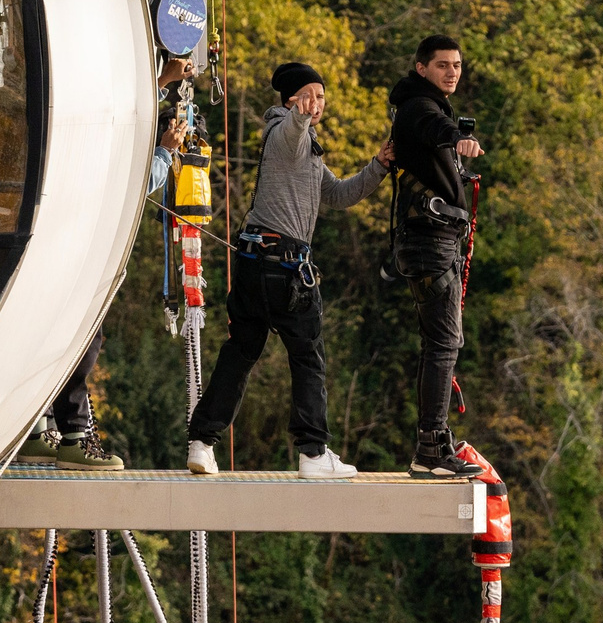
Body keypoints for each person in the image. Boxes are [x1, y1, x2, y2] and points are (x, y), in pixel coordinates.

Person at [182, 61, 392, 480]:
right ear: (292, 100)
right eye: (310, 95)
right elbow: (293, 132)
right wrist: (300, 113)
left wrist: (380, 165)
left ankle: (202, 443)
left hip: (253, 264)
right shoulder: (285, 133)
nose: (318, 104)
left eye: (321, 97)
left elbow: (337, 194)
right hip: (285, 269)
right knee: (308, 357)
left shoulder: (307, 151)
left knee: (240, 352)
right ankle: (313, 453)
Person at [387, 35, 485, 478]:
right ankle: (431, 447)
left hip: (430, 240)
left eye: (457, 66)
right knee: (445, 343)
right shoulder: (419, 108)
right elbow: (433, 128)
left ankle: (432, 443)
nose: (452, 72)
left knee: (439, 344)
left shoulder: (423, 105)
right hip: (430, 242)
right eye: (442, 65)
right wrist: (457, 137)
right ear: (421, 67)